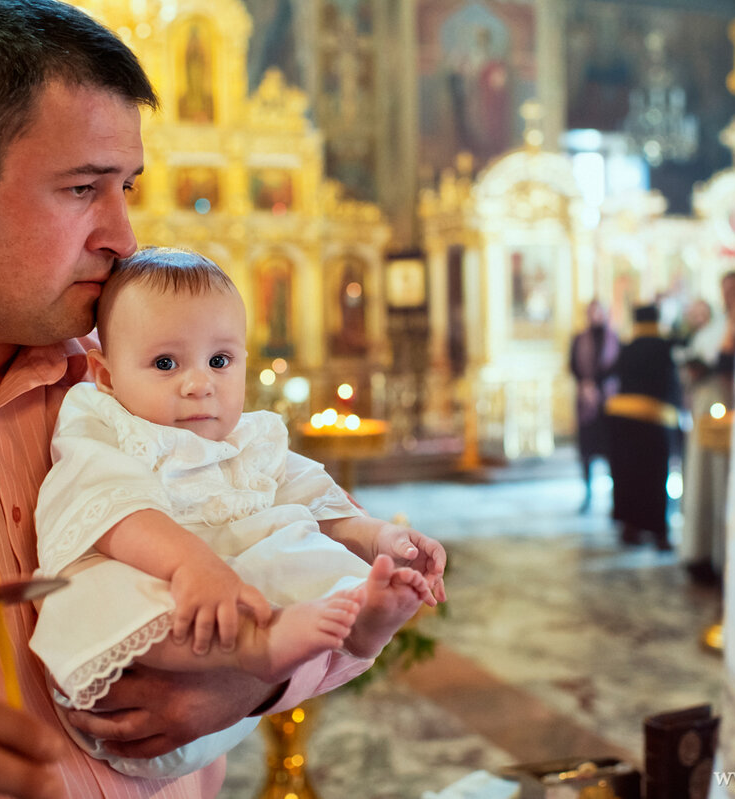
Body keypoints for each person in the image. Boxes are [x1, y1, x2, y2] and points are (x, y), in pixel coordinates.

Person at [0, 1, 375, 797]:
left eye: (127, 186)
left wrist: (249, 681)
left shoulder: (130, 373)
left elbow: (277, 540)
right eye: (83, 187)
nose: (122, 234)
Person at [31, 247, 447, 778]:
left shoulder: (250, 437)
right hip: (134, 686)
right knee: (102, 587)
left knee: (292, 538)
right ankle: (262, 643)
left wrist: (377, 538)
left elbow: (306, 492)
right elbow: (114, 505)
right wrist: (192, 567)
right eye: (165, 364)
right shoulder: (103, 420)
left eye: (220, 361)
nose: (199, 383)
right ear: (106, 375)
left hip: (226, 700)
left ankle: (364, 620)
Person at [680, 270, 735, 585]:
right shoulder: (715, 329)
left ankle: (728, 555)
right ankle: (704, 551)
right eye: (726, 289)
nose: (730, 295)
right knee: (708, 476)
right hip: (712, 406)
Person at [605, 305, 683, 551]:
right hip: (654, 419)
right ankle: (660, 532)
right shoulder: (666, 346)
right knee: (656, 475)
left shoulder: (627, 347)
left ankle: (631, 526)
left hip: (622, 418)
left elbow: (611, 373)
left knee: (628, 474)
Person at [568, 299, 621, 513]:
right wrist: (586, 384)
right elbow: (573, 365)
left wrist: (600, 385)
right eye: (592, 311)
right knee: (587, 450)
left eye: (599, 311)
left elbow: (616, 366)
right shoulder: (579, 339)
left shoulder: (614, 339)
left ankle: (614, 497)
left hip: (609, 401)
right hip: (586, 400)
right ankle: (588, 492)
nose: (596, 315)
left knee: (611, 450)